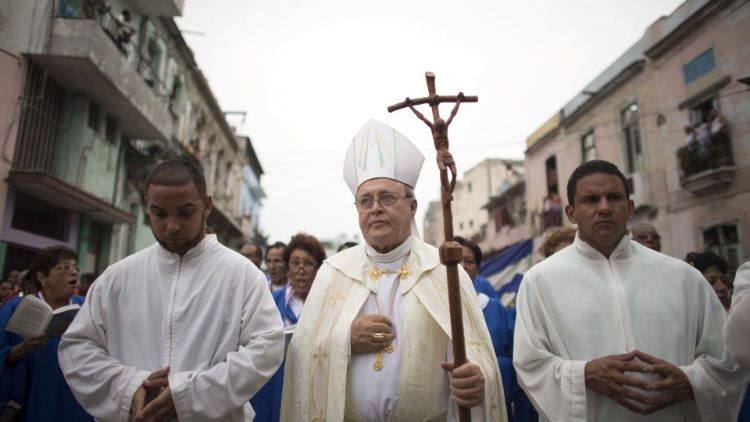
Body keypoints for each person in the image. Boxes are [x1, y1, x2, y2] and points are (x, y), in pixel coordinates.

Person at [281, 119, 506, 421]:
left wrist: (477, 382)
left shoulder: (444, 271)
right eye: (365, 200)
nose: (375, 208)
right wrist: (344, 339)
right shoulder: (333, 272)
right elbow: (299, 356)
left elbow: (478, 361)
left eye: (387, 197)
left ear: (412, 207)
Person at [58, 159, 284, 421]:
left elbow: (266, 347)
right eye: (160, 214)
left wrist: (190, 395)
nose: (172, 225)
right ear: (148, 209)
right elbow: (77, 347)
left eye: (185, 213)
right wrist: (129, 388)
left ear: (207, 206)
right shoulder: (117, 278)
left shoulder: (242, 275)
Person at [514, 159, 730, 421]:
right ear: (571, 213)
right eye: (591, 200)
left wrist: (691, 382)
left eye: (614, 197)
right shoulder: (540, 281)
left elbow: (725, 360)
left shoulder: (683, 277)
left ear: (629, 208)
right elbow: (530, 365)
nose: (604, 207)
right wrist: (584, 374)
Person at [0, 246, 91, 421]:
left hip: (75, 401)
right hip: (33, 400)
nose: (74, 273)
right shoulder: (16, 308)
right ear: (42, 277)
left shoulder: (86, 307)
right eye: (65, 268)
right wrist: (23, 348)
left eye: (75, 268)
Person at [251, 233, 326, 422]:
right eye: (295, 263)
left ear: (317, 268)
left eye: (308, 263)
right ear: (288, 268)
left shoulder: (327, 305)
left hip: (312, 383)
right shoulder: (270, 301)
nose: (301, 270)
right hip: (273, 385)